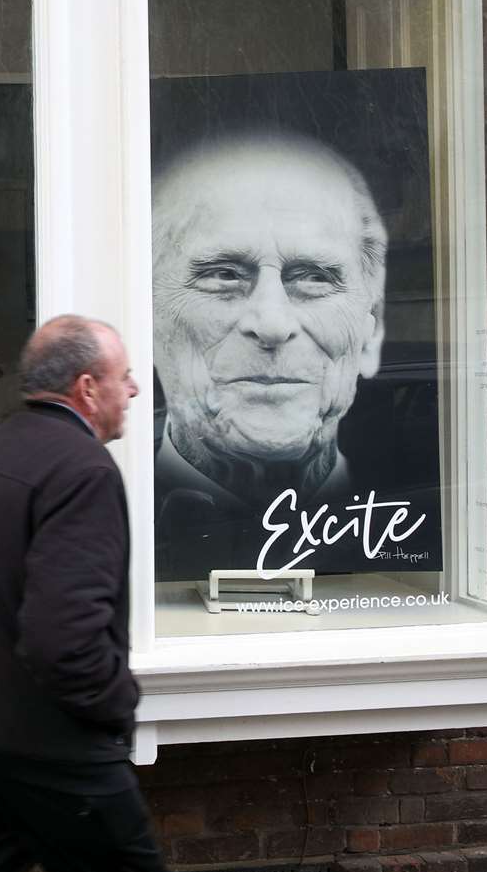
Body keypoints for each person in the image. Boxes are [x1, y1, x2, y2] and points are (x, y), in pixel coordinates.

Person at [0, 315, 174, 872]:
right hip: (57, 754)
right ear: (87, 389)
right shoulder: (80, 472)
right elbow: (66, 640)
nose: (134, 389)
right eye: (124, 376)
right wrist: (118, 707)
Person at [150, 130, 391, 582]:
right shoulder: (108, 502)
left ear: (369, 335)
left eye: (315, 277)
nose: (273, 324)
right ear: (151, 325)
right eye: (223, 275)